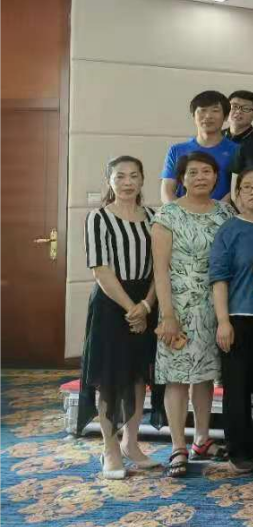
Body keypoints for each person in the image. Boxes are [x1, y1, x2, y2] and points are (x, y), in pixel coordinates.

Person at [151, 151, 233, 477]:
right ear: (182, 178)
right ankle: (177, 446)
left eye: (206, 172)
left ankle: (201, 439)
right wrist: (167, 315)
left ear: (216, 177)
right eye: (193, 172)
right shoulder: (168, 214)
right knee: (176, 377)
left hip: (215, 307)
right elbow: (160, 269)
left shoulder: (225, 213)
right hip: (179, 308)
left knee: (204, 375)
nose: (200, 177)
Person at [81, 156, 161, 479]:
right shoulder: (98, 218)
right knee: (110, 377)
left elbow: (160, 267)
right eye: (120, 176)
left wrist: (147, 305)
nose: (127, 182)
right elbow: (101, 270)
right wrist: (132, 308)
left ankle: (131, 443)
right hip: (112, 302)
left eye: (133, 176)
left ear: (142, 180)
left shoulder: (154, 217)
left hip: (146, 300)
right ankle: (110, 448)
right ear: (109, 181)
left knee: (139, 374)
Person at [210, 166, 253, 475]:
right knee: (237, 389)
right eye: (247, 186)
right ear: (237, 194)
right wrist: (223, 321)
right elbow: (219, 277)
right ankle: (239, 451)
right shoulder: (230, 229)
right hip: (239, 318)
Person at [162, 91, 240, 203]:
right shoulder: (176, 150)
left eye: (215, 110)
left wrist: (217, 211)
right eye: (202, 110)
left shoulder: (237, 150)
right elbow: (167, 191)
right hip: (182, 212)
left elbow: (236, 189)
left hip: (223, 212)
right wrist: (180, 212)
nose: (208, 116)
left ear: (226, 116)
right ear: (194, 115)